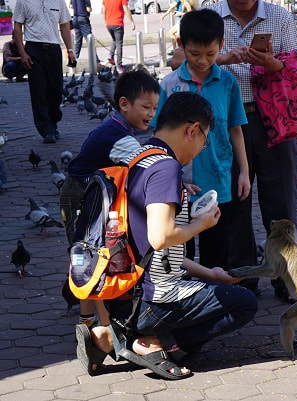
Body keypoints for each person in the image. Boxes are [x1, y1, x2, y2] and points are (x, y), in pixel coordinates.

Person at [75, 91, 258, 380]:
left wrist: (211, 273)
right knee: (244, 303)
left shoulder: (141, 156)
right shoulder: (166, 168)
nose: (201, 148)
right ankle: (152, 342)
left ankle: (112, 336)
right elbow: (161, 237)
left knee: (218, 290)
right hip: (153, 299)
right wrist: (202, 224)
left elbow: (155, 251)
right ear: (192, 130)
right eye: (204, 140)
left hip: (126, 293)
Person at [202, 0, 297, 301]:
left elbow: (295, 66)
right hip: (227, 120)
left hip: (275, 119)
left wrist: (271, 63)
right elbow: (188, 59)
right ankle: (241, 278)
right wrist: (223, 58)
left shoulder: (279, 17)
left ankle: (286, 278)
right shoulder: (210, 15)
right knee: (233, 203)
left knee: (281, 205)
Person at [60, 69, 160, 328]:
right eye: (146, 107)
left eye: (155, 108)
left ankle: (88, 317)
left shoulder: (115, 126)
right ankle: (100, 325)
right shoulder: (119, 137)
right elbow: (145, 166)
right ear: (124, 104)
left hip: (82, 195)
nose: (151, 113)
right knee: (91, 254)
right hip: (82, 197)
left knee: (83, 252)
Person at [152, 9, 250, 271]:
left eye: (211, 54)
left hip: (218, 180)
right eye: (195, 54)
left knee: (216, 251)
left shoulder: (228, 82)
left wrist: (244, 173)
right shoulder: (170, 85)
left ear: (221, 45)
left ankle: (212, 303)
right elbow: (157, 135)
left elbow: (235, 129)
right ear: (182, 46)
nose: (203, 61)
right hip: (178, 183)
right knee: (177, 254)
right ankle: (182, 304)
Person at [13, 0, 76, 144]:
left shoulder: (58, 1)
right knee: (38, 90)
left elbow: (64, 25)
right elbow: (17, 28)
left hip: (53, 49)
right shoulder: (23, 2)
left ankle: (53, 122)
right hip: (34, 49)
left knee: (56, 89)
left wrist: (70, 50)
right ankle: (46, 129)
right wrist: (23, 53)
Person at [102, 0, 135, 73]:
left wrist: (106, 21)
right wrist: (131, 22)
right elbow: (125, 8)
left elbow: (104, 10)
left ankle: (111, 55)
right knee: (119, 43)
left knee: (114, 40)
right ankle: (119, 66)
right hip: (118, 23)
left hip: (109, 23)